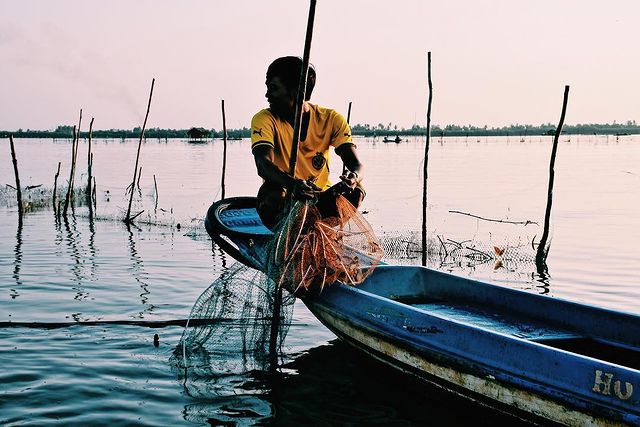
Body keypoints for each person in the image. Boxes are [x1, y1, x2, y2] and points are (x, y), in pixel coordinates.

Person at [251, 56, 365, 229]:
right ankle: (289, 234)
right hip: (286, 200)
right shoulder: (264, 119)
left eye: (273, 88)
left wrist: (353, 177)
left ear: (296, 91)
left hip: (320, 200)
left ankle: (316, 230)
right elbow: (263, 164)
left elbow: (356, 165)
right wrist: (293, 185)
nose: (267, 95)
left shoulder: (331, 119)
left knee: (356, 191)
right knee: (270, 193)